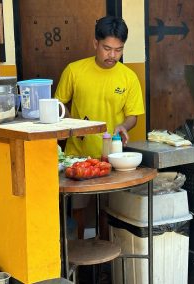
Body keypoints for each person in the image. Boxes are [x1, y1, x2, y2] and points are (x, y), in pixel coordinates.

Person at [55, 16, 144, 238]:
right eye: (107, 48)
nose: (112, 56)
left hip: (111, 157)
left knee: (109, 210)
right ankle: (78, 260)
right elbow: (58, 103)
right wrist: (70, 121)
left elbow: (133, 115)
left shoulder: (128, 77)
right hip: (77, 157)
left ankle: (106, 265)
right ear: (95, 43)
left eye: (118, 50)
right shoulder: (75, 71)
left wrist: (123, 126)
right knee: (77, 210)